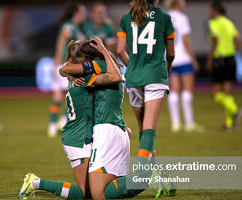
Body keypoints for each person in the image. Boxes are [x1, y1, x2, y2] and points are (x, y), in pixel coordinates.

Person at [18, 38, 130, 200]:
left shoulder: (83, 72)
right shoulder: (88, 75)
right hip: (77, 137)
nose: (78, 65)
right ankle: (36, 183)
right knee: (88, 194)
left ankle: (147, 178)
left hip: (90, 133)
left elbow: (64, 69)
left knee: (99, 191)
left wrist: (69, 71)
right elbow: (65, 69)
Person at [117, 0, 176, 197]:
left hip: (134, 78)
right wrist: (165, 71)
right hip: (155, 76)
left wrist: (132, 66)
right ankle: (144, 175)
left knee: (143, 130)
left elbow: (119, 51)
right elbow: (171, 53)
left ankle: (157, 175)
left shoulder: (126, 18)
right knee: (149, 130)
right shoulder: (165, 18)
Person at [48, 2, 87, 137]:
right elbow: (61, 39)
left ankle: (53, 126)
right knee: (73, 93)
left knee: (59, 94)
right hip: (65, 64)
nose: (84, 14)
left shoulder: (76, 27)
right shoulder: (69, 25)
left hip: (65, 64)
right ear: (77, 13)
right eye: (82, 12)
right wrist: (58, 58)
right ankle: (62, 121)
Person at [167, 0, 203, 133]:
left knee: (174, 90)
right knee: (187, 90)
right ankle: (189, 124)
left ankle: (175, 125)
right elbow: (185, 40)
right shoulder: (182, 18)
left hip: (171, 58)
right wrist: (194, 59)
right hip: (184, 57)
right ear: (179, 3)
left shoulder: (165, 16)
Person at [206, 0, 242, 131]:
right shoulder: (229, 22)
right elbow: (239, 41)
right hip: (231, 59)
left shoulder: (213, 23)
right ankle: (229, 124)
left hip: (220, 59)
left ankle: (235, 110)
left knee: (215, 93)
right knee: (228, 92)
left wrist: (210, 58)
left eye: (210, 10)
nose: (209, 12)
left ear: (215, 11)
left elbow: (215, 40)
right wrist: (232, 51)